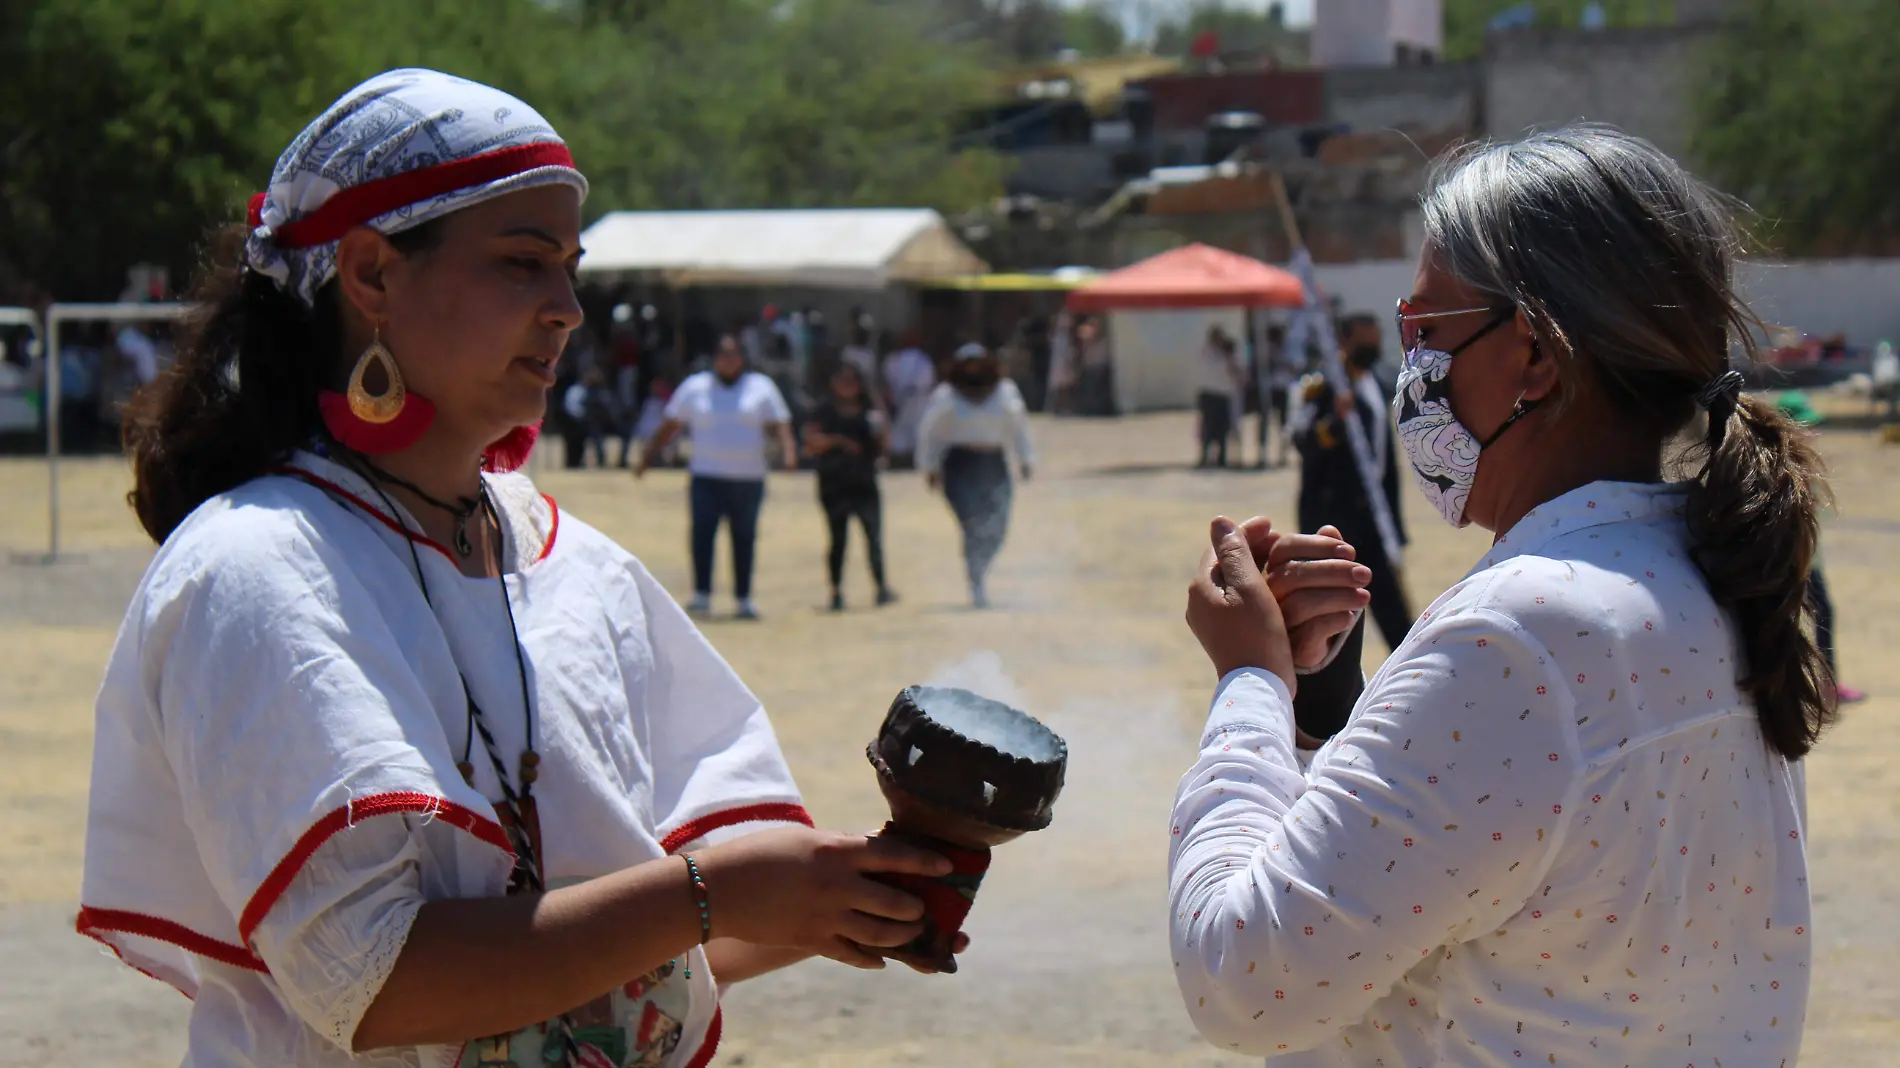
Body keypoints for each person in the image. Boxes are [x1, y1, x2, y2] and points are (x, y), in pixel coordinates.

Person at [85, 69, 957, 1068]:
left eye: (569, 267)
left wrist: (850, 894)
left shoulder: (572, 561)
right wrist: (713, 892)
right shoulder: (259, 569)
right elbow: (370, 983)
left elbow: (659, 935)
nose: (567, 310)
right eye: (521, 263)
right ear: (371, 274)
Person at [1170, 126, 1830, 1066]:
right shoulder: (1707, 572)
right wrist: (1320, 705)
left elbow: (1242, 979)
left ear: (1535, 354)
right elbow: (1455, 869)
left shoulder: (1521, 639)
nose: (1415, 375)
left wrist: (1248, 685)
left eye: (1428, 333)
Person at [638, 333, 797, 620]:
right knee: (702, 535)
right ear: (715, 358)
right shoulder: (695, 387)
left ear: (742, 358)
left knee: (744, 537)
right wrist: (648, 456)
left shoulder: (761, 387)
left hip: (748, 478)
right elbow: (670, 424)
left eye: (734, 354)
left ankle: (743, 598)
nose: (728, 360)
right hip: (707, 476)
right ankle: (701, 595)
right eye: (723, 354)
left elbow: (780, 423)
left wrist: (788, 452)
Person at [1290, 312, 1412, 652]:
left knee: (1393, 611)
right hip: (1335, 524)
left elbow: (1383, 466)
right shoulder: (1325, 387)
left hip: (1373, 521)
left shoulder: (1378, 384)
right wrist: (1336, 420)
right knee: (1331, 617)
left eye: (1375, 341)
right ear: (1344, 343)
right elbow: (1303, 440)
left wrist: (1394, 528)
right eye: (1364, 342)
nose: (1371, 349)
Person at [916, 343, 1034, 609]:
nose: (973, 369)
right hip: (960, 464)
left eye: (978, 362)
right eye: (968, 364)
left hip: (994, 462)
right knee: (973, 524)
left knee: (998, 525)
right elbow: (930, 433)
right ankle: (976, 581)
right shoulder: (946, 395)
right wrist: (929, 467)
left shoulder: (1005, 391)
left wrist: (1026, 458)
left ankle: (982, 567)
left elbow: (1019, 427)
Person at [804, 362, 896, 612]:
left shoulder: (869, 413)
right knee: (838, 540)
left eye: (853, 381)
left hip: (864, 483)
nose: (848, 386)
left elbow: (885, 443)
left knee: (874, 538)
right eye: (843, 381)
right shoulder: (823, 411)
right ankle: (836, 591)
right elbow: (811, 442)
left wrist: (879, 409)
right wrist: (839, 441)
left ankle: (881, 588)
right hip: (834, 484)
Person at [881, 331, 936, 468]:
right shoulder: (923, 360)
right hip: (917, 401)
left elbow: (887, 381)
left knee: (900, 430)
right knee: (916, 430)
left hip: (902, 399)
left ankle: (900, 461)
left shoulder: (894, 359)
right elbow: (928, 382)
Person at [1196, 325, 1243, 468]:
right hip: (1209, 393)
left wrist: (1229, 356)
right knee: (1208, 428)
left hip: (1223, 394)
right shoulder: (1206, 352)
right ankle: (1204, 456)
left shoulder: (1228, 354)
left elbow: (1237, 373)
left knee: (1223, 428)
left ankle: (1222, 458)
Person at [561, 364, 618, 469]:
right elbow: (571, 407)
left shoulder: (601, 393)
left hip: (594, 423)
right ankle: (574, 463)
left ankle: (601, 462)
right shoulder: (576, 390)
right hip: (577, 423)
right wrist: (582, 416)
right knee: (576, 444)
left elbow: (608, 407)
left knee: (597, 440)